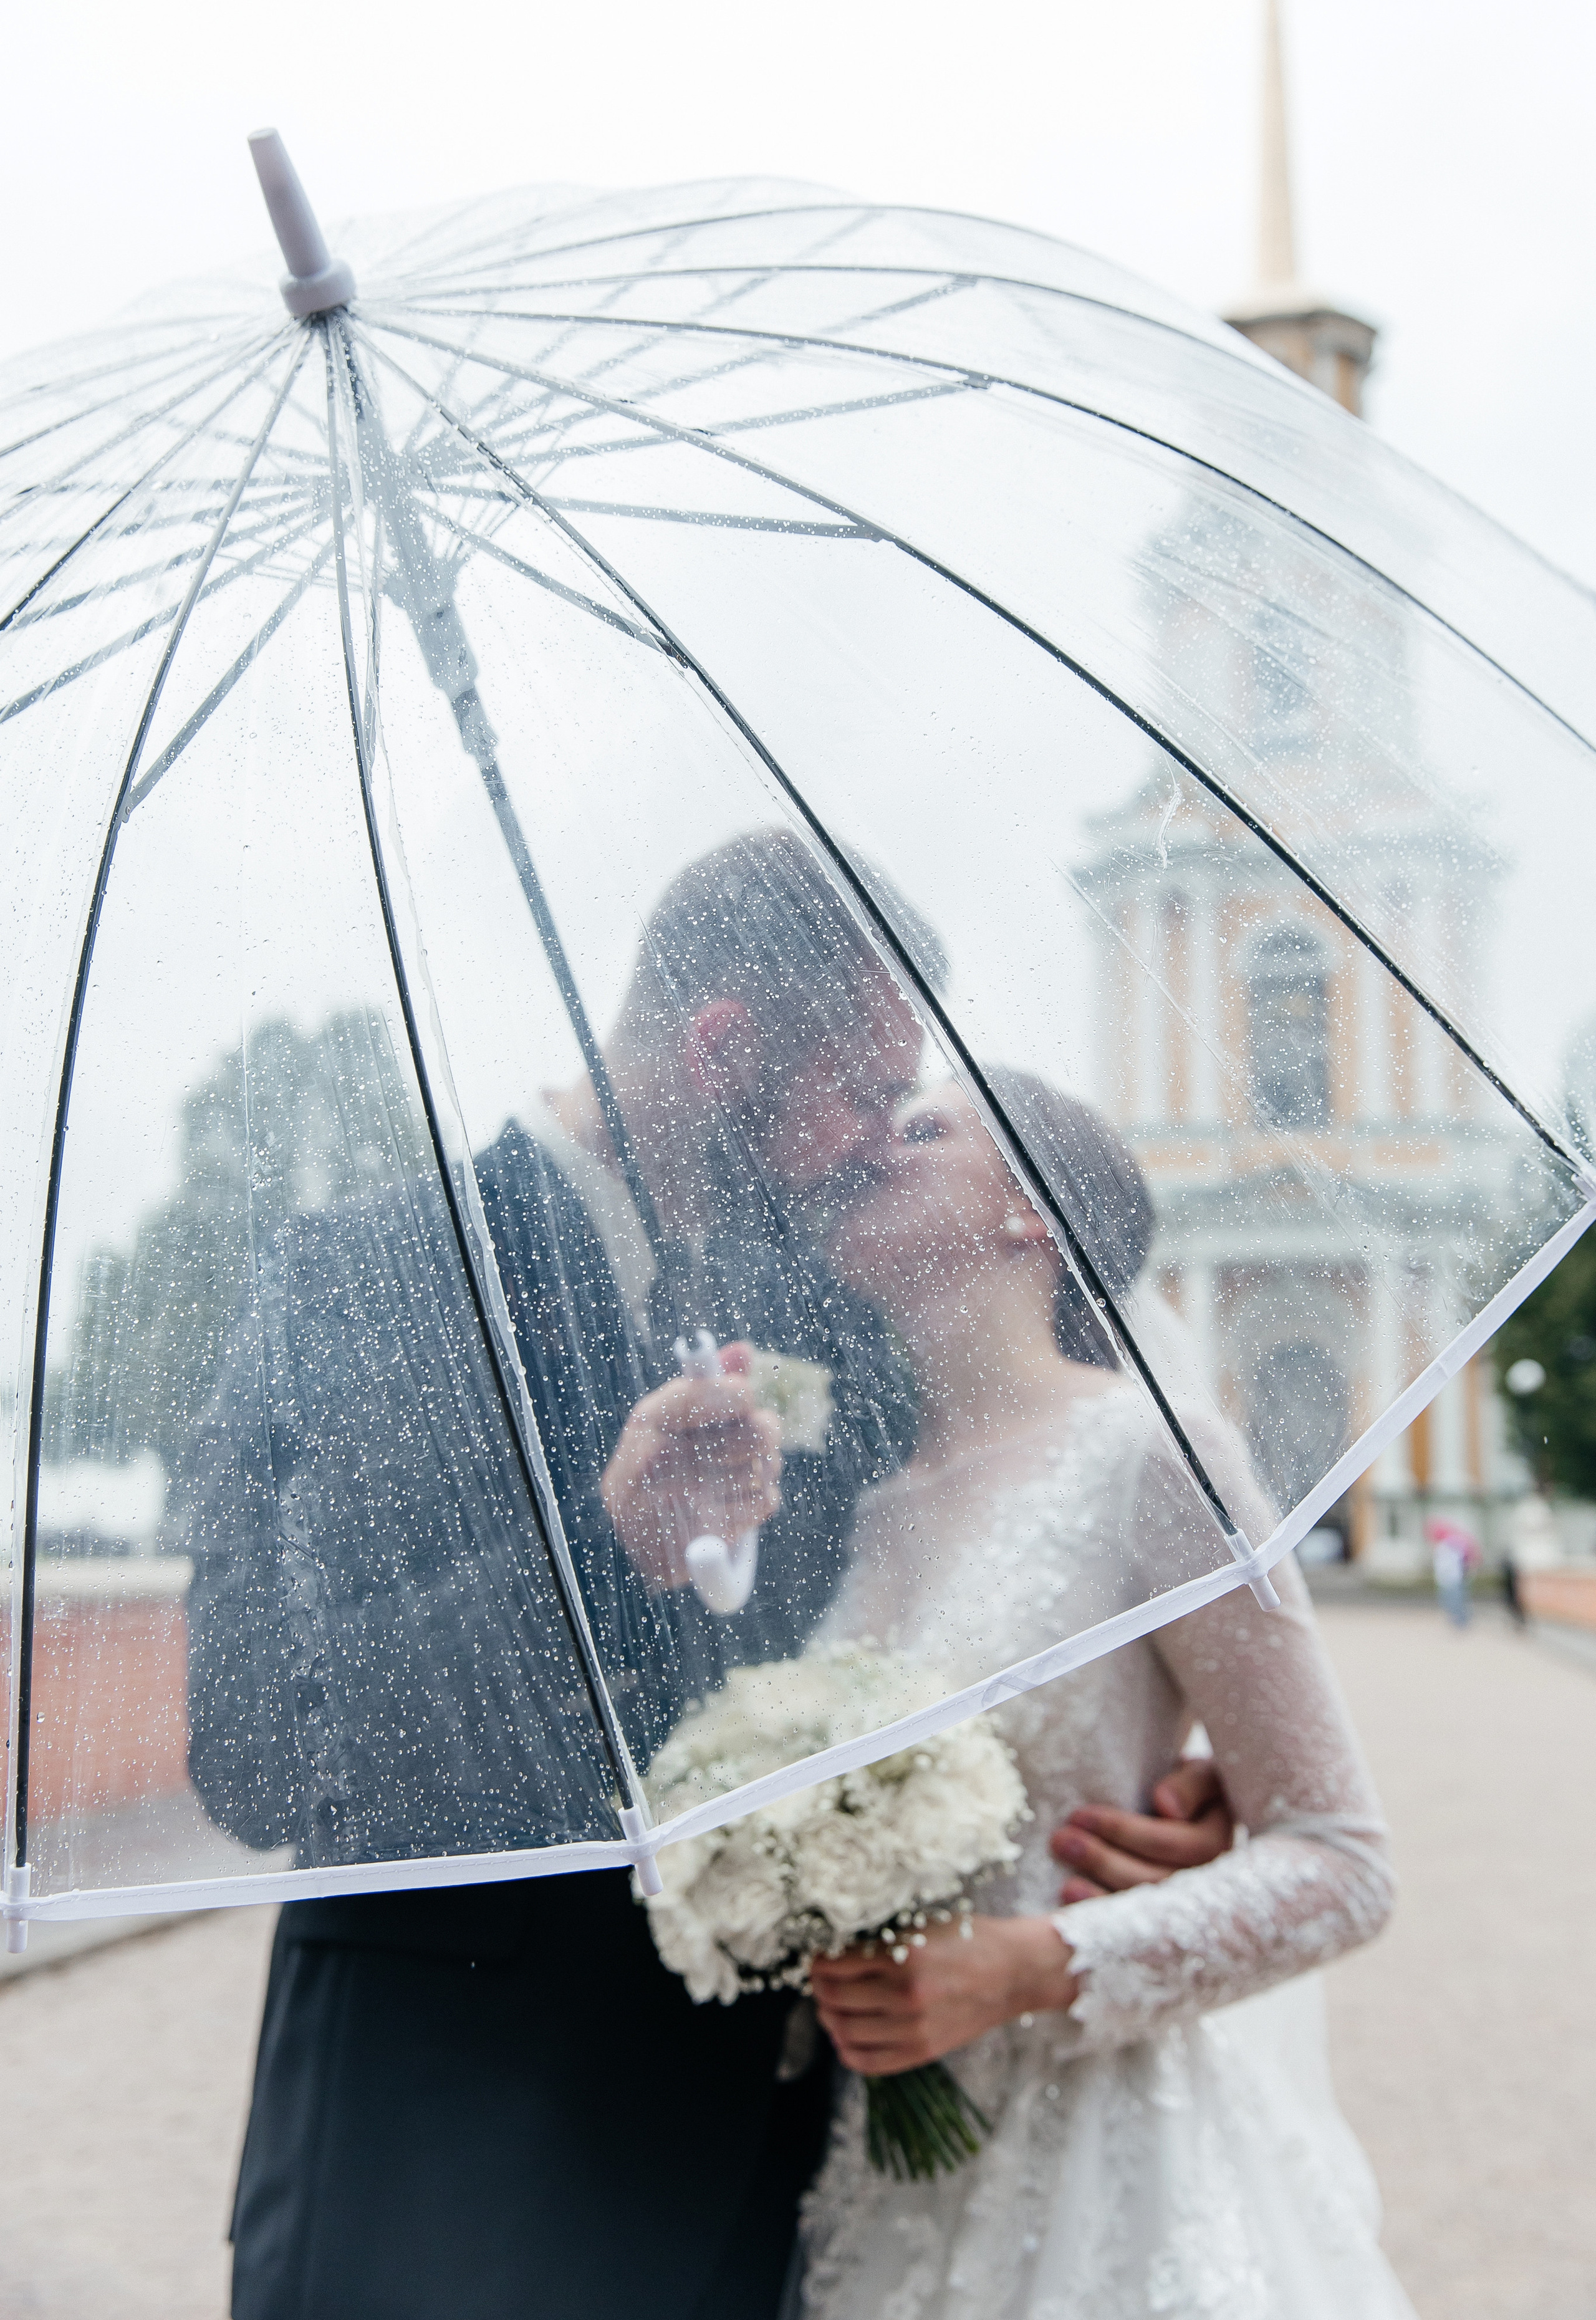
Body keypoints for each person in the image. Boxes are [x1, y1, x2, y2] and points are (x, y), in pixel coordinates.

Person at [184, 832, 1235, 2320]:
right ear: (723, 1042)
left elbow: (1001, 1527)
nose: (881, 1140)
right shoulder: (360, 1279)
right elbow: (256, 1751)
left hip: (757, 2184)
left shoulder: (831, 1308)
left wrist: (1165, 1773)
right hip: (431, 2177)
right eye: (865, 1092)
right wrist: (597, 1556)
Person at [800, 1072, 1411, 2319]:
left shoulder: (1155, 1457)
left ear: (1030, 1210)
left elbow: (1343, 1863)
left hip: (1106, 2164)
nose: (870, 1144)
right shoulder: (858, 1510)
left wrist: (1031, 1962)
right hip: (884, 2159)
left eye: (920, 1129)